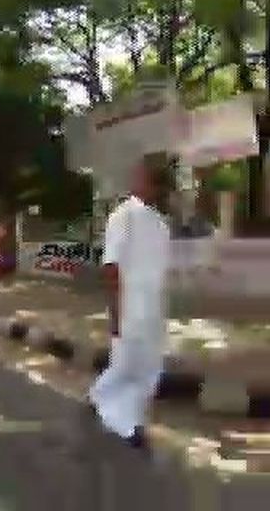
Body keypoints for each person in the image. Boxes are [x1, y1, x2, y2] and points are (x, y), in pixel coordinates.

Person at [88, 155, 172, 450]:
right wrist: (116, 311)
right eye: (150, 177)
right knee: (129, 364)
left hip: (153, 309)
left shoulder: (161, 224)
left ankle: (100, 396)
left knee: (147, 367)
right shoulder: (123, 214)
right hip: (131, 308)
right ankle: (128, 423)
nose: (155, 185)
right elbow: (111, 267)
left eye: (158, 179)